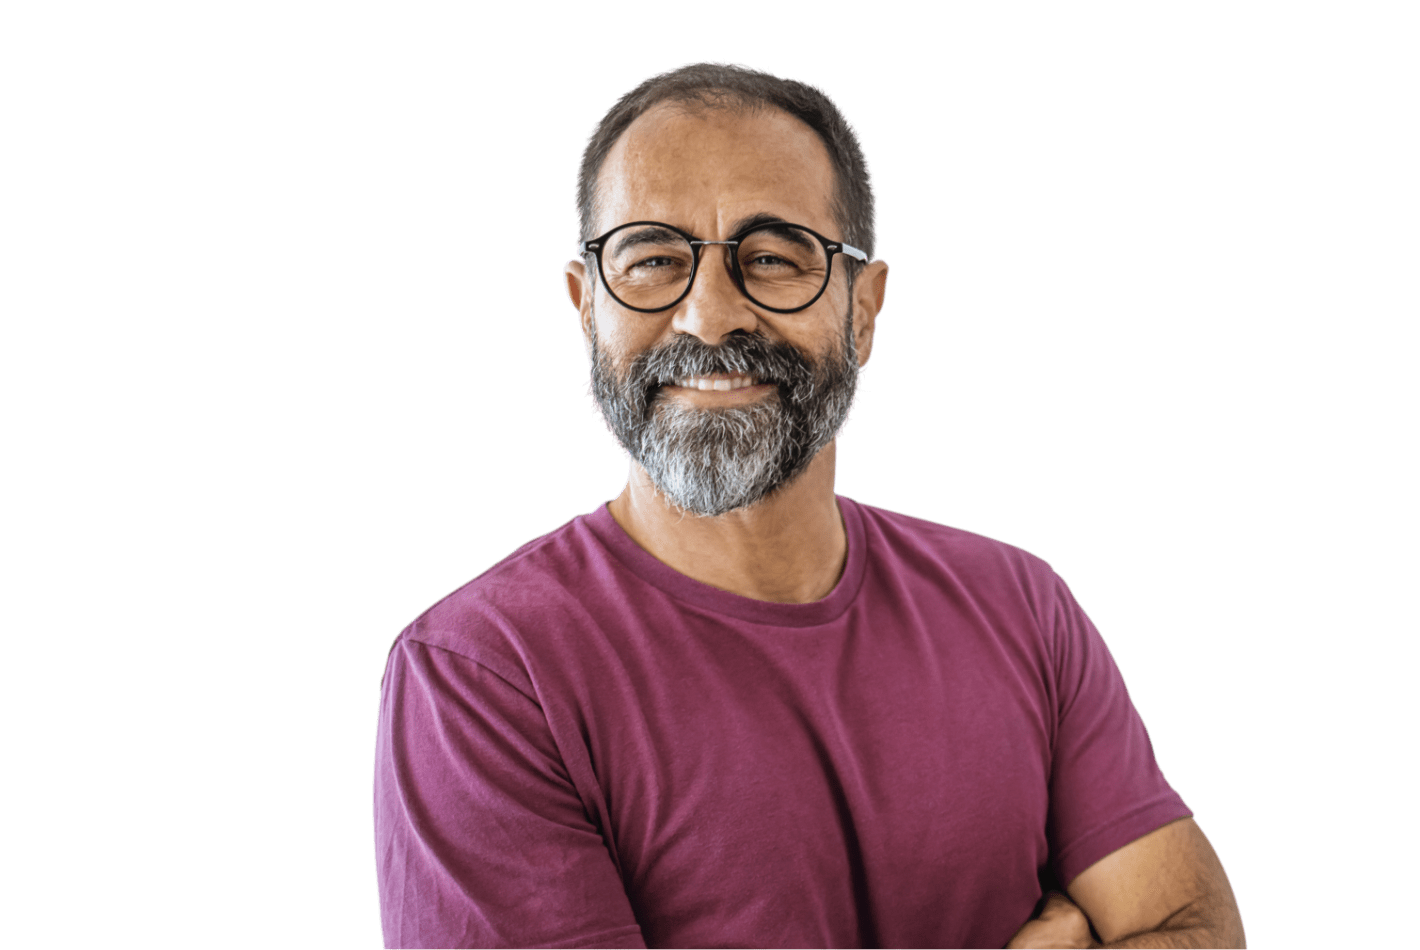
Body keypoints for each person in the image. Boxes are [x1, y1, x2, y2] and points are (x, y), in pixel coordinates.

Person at [372, 61, 1245, 950]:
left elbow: (1191, 922)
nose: (709, 317)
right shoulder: (483, 676)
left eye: (774, 258)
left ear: (863, 311)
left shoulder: (1019, 604)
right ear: (587, 305)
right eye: (653, 260)